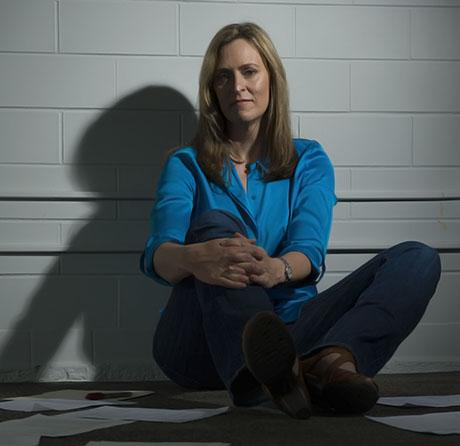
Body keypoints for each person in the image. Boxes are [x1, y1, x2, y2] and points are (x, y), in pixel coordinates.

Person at [140, 22, 442, 420]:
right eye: (224, 77)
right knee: (214, 224)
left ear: (271, 79)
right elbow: (158, 253)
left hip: (291, 331)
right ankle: (264, 377)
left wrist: (276, 269)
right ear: (212, 90)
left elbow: (309, 250)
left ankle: (331, 363)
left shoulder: (309, 159)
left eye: (249, 72)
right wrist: (196, 259)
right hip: (197, 343)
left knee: (418, 259)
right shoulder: (186, 163)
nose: (237, 86)